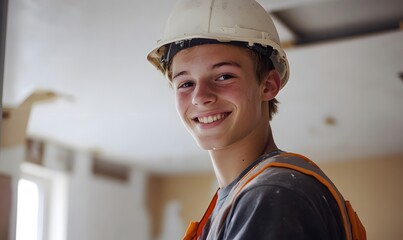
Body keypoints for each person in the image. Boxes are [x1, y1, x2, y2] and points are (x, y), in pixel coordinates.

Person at [147, 0, 364, 239]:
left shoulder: (271, 195)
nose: (200, 97)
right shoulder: (242, 199)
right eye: (186, 83)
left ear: (268, 85)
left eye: (224, 76)